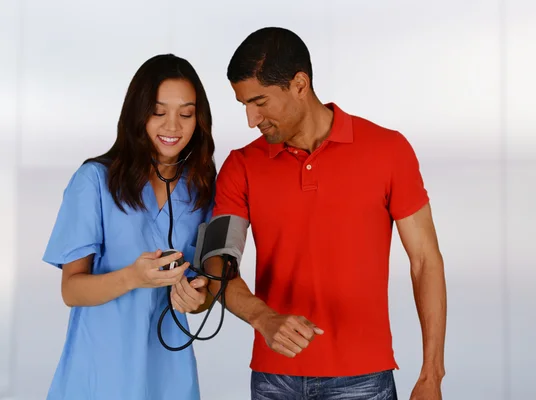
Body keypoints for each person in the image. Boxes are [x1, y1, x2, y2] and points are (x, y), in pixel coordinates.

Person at [204, 27, 447, 399]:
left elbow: (425, 261)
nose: (252, 119)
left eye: (260, 102)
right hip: (275, 380)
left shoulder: (388, 150)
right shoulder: (240, 166)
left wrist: (431, 374)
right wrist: (262, 318)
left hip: (364, 379)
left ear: (299, 84)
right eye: (244, 106)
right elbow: (217, 263)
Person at [42, 54, 217, 400]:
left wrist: (199, 298)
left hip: (169, 374)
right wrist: (133, 277)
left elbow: (204, 289)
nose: (172, 126)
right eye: (158, 112)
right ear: (138, 113)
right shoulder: (94, 181)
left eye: (185, 114)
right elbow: (71, 290)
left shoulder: (202, 189)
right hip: (100, 373)